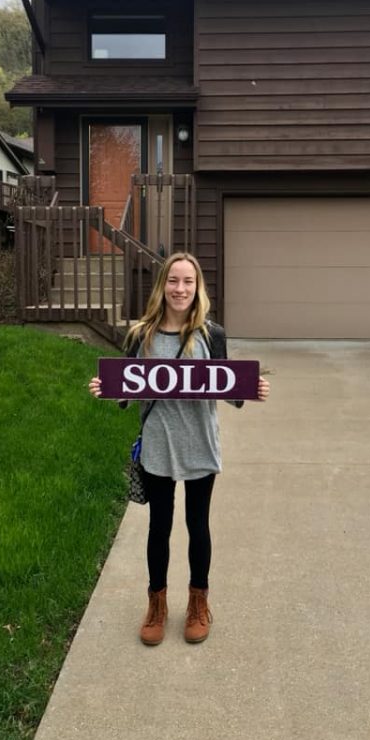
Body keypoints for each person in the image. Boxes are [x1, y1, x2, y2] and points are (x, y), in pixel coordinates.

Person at [89, 251, 269, 646]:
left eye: (188, 282)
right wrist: (107, 389)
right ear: (162, 286)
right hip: (159, 445)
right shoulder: (141, 334)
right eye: (173, 281)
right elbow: (124, 387)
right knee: (159, 527)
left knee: (197, 525)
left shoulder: (211, 334)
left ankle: (198, 603)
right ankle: (156, 604)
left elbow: (230, 389)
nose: (180, 289)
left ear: (197, 288)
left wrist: (250, 390)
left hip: (200, 445)